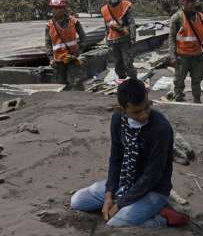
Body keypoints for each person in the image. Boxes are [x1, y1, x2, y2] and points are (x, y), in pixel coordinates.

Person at [70, 79, 189, 228]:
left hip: (154, 189)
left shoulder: (161, 128)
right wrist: (109, 194)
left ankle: (163, 217)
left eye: (147, 107)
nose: (144, 115)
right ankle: (140, 209)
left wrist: (120, 203)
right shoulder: (117, 120)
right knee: (77, 201)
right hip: (125, 183)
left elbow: (153, 175)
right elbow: (116, 159)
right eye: (137, 112)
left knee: (116, 224)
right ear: (122, 109)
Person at [169, 0, 203, 103]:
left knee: (197, 79)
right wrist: (172, 57)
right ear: (183, 2)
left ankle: (197, 100)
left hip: (197, 55)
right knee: (179, 80)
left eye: (192, 1)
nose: (190, 4)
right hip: (182, 56)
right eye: (188, 2)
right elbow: (171, 39)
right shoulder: (177, 18)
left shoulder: (200, 17)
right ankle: (178, 98)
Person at [45, 0, 86, 90]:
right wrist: (51, 58)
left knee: (77, 83)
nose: (57, 10)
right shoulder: (49, 25)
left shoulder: (74, 21)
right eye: (54, 8)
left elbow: (83, 38)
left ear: (64, 8)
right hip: (58, 61)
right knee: (61, 86)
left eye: (59, 8)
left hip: (72, 58)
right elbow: (48, 43)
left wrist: (78, 53)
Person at [101, 0, 137, 79]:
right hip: (112, 40)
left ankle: (133, 80)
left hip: (124, 38)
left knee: (127, 62)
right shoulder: (104, 9)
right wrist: (107, 40)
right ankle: (122, 79)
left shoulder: (126, 5)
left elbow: (131, 22)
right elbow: (106, 26)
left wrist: (133, 37)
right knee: (117, 63)